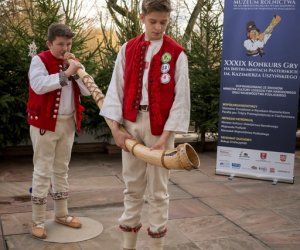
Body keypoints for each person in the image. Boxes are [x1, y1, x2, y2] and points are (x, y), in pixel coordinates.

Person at [100, 0, 190, 249]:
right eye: (153, 22)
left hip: (161, 128)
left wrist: (165, 138)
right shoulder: (127, 49)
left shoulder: (177, 53)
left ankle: (156, 245)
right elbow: (115, 90)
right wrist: (116, 130)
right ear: (142, 18)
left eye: (163, 22)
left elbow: (181, 98)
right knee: (132, 186)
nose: (158, 27)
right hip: (131, 125)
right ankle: (128, 245)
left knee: (159, 190)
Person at [27, 23, 91, 239]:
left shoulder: (70, 63)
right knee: (43, 170)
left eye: (69, 44)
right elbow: (38, 85)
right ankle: (37, 220)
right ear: (49, 43)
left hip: (68, 123)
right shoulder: (39, 60)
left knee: (61, 168)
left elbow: (87, 92)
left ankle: (61, 214)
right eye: (61, 44)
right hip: (45, 124)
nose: (65, 48)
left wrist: (77, 71)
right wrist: (66, 75)